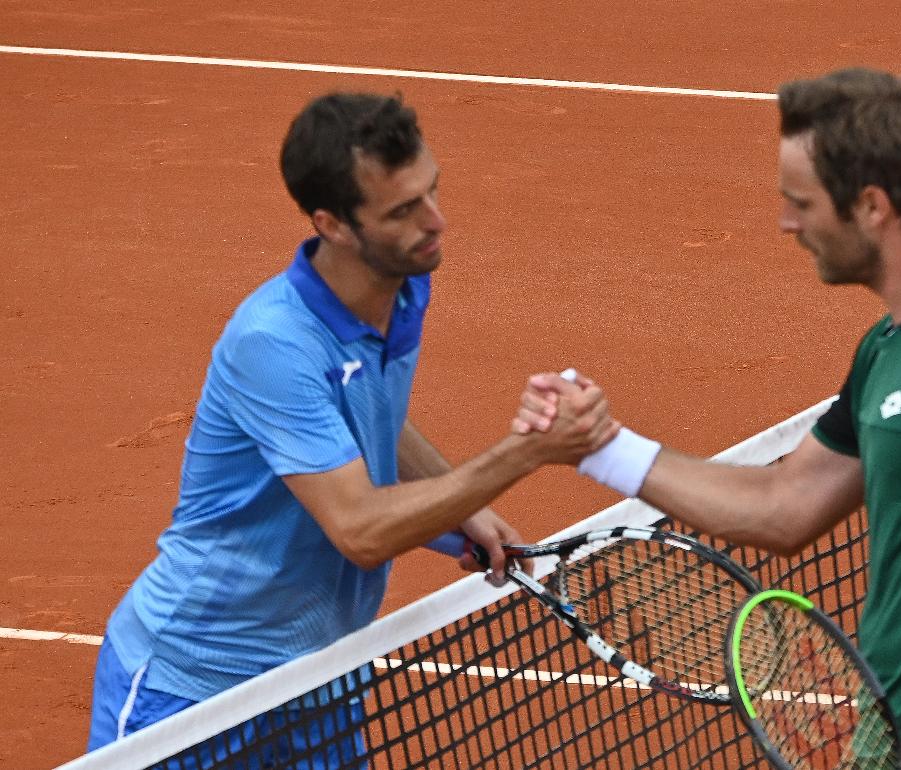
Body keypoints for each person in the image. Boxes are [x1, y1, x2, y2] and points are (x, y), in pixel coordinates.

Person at [518, 69, 901, 770]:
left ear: (873, 206)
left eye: (802, 202)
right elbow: (786, 504)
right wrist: (604, 448)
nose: (787, 224)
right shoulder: (894, 344)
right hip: (898, 741)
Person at [87, 92, 617, 758]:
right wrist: (523, 453)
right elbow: (360, 530)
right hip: (193, 691)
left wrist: (466, 507)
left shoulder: (402, 284)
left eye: (430, 191)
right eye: (402, 211)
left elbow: (371, 412)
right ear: (332, 225)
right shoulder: (274, 343)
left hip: (319, 677)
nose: (435, 222)